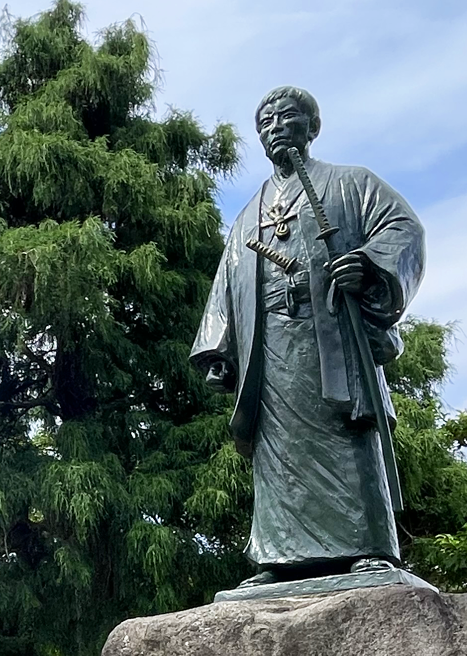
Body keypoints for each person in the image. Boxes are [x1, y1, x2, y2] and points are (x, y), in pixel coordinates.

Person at [191, 86, 425, 586]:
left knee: (346, 433)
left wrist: (365, 264)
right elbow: (229, 278)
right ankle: (279, 555)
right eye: (265, 122)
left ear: (312, 127)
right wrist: (220, 345)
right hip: (270, 349)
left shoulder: (350, 185)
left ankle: (368, 548)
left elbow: (404, 229)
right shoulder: (248, 214)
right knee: (277, 450)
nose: (275, 127)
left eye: (287, 117)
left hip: (332, 337)